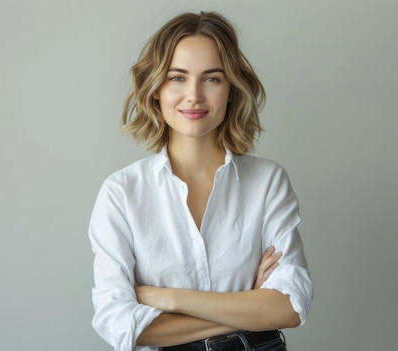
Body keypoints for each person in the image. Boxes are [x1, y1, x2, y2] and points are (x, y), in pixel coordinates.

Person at [89, 11, 313, 351]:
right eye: (177, 78)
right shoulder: (122, 193)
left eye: (211, 79)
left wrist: (168, 298)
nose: (193, 95)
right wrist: (250, 305)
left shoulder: (268, 181)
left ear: (232, 90)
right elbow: (121, 324)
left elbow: (290, 306)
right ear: (156, 90)